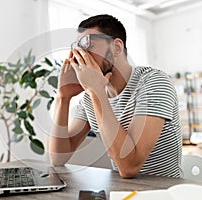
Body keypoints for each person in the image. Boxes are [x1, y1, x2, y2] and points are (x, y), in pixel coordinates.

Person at [49, 14, 183, 178]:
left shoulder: (154, 82)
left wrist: (96, 91)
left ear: (117, 47)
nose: (79, 55)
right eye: (76, 47)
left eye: (87, 44)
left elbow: (129, 167)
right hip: (122, 192)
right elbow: (58, 158)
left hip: (165, 191)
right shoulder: (90, 97)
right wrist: (63, 97)